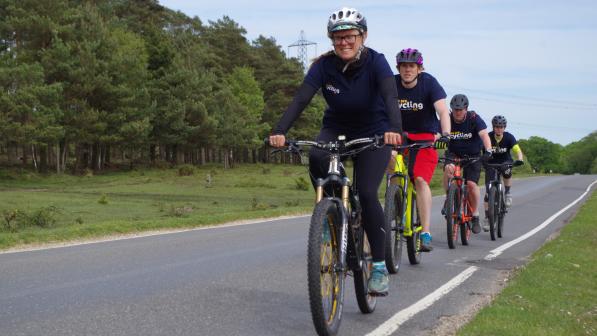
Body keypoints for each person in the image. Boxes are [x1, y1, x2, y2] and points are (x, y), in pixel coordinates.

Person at [269, 7, 402, 296]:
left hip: (375, 131)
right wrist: (280, 130)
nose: (344, 42)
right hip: (336, 128)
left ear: (362, 36)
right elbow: (301, 98)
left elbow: (391, 95)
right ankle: (333, 212)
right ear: (331, 40)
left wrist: (395, 129)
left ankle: (378, 266)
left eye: (350, 36)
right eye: (338, 37)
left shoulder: (376, 62)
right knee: (317, 156)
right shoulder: (323, 66)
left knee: (367, 193)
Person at [393, 48, 451, 252]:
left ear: (419, 68)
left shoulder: (429, 83)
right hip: (398, 135)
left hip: (426, 136)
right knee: (393, 166)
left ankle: (425, 232)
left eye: (411, 66)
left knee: (419, 179)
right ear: (398, 68)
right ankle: (394, 200)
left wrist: (445, 134)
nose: (407, 70)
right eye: (403, 66)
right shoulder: (391, 84)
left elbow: (443, 111)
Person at [442, 94, 493, 234]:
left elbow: (484, 135)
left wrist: (488, 150)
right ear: (451, 109)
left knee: (471, 184)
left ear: (466, 109)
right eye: (455, 109)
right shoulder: (448, 118)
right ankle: (449, 197)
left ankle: (475, 215)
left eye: (461, 109)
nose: (458, 112)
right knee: (448, 169)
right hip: (454, 154)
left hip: (473, 156)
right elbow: (437, 133)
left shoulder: (474, 118)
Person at [482, 115, 524, 231]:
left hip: (505, 162)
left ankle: (508, 192)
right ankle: (487, 218)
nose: (499, 129)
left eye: (501, 127)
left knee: (507, 170)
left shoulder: (509, 137)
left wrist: (520, 159)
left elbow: (517, 150)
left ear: (504, 127)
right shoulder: (488, 137)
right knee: (487, 193)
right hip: (491, 163)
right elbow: (481, 150)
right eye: (496, 127)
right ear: (493, 127)